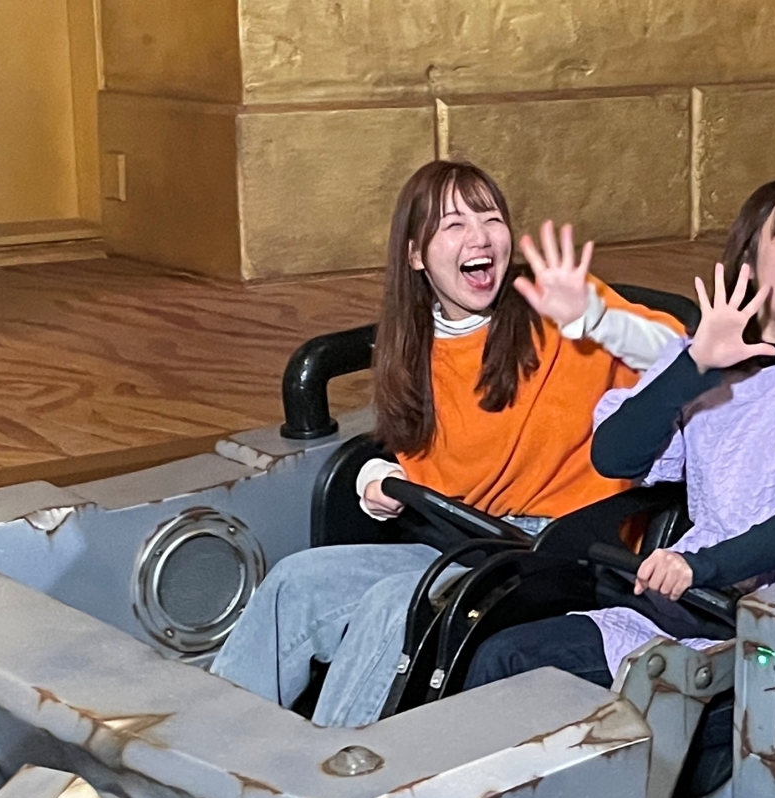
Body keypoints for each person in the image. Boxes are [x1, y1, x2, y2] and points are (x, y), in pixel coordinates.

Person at [210, 159, 684, 727]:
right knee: (296, 582)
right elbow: (441, 465)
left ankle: (335, 769)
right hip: (462, 539)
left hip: (557, 550)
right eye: (454, 225)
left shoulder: (561, 309)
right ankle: (213, 747)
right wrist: (376, 478)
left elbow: (681, 352)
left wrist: (597, 318)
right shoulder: (415, 345)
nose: (479, 237)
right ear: (416, 254)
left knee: (393, 605)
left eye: (491, 219)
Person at [464, 179, 775, 692]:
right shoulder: (710, 355)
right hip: (690, 605)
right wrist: (696, 363)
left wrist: (701, 566)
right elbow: (615, 456)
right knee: (502, 654)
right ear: (749, 261)